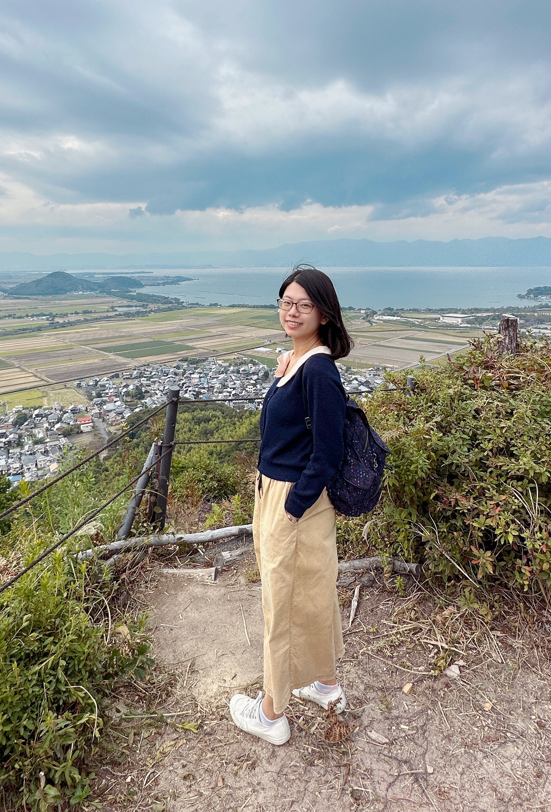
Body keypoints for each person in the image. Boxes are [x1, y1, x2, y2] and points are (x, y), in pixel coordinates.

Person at [229, 266, 354, 744]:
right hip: (285, 495)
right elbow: (283, 430)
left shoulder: (319, 370)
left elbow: (327, 453)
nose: (292, 311)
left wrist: (292, 508)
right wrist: (280, 375)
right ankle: (324, 683)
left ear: (324, 313)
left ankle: (271, 713)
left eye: (303, 304)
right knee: (311, 593)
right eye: (286, 302)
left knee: (279, 603)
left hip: (293, 499)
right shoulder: (298, 363)